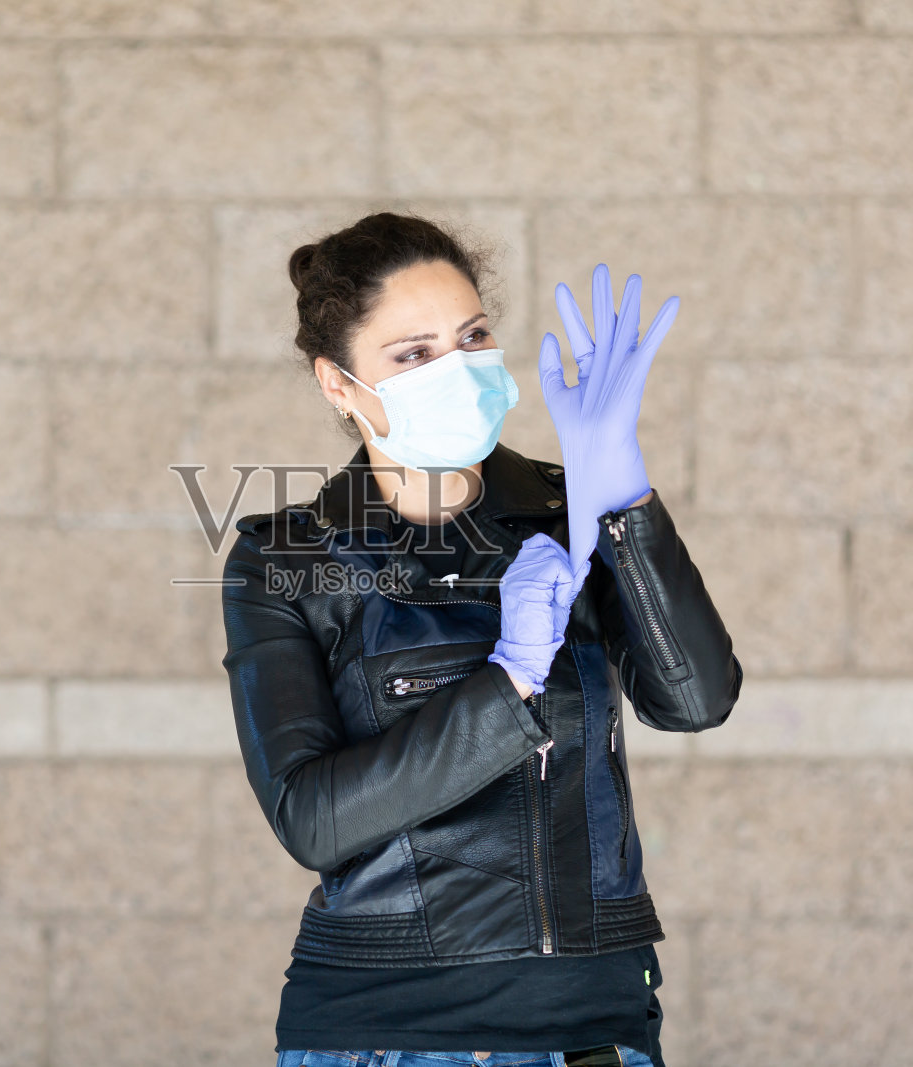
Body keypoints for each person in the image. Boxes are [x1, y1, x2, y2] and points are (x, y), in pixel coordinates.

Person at [219, 212, 742, 1067]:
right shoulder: (290, 560)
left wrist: (623, 497)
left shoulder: (569, 511)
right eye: (414, 354)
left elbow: (696, 700)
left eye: (472, 337)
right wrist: (510, 680)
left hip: (595, 1024)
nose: (457, 370)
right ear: (339, 385)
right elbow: (312, 818)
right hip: (392, 1034)